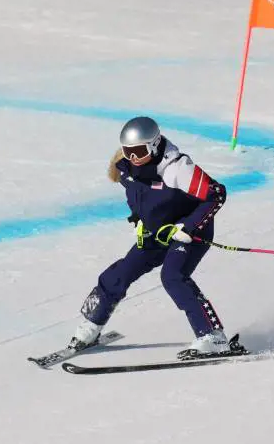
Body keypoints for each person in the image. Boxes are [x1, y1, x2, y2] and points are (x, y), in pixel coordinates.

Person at [69, 116, 238, 359]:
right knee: (120, 273)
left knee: (173, 276)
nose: (133, 158)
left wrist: (187, 227)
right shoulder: (126, 170)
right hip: (156, 232)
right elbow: (139, 197)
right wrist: (139, 220)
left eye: (139, 151)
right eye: (128, 151)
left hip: (190, 232)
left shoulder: (177, 169)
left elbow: (216, 194)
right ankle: (92, 325)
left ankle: (213, 336)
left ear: (155, 144)